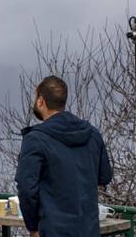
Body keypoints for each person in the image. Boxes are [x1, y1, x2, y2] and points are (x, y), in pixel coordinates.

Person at [15, 75, 112, 237]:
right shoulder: (92, 134)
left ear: (40, 101)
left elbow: (26, 188)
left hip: (53, 229)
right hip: (88, 229)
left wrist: (33, 227)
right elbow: (105, 176)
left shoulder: (36, 139)